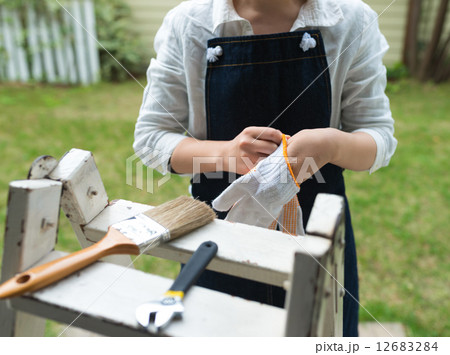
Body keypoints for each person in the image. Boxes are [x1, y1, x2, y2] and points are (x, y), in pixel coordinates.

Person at [133, 0, 397, 336]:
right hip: (218, 237)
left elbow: (377, 138)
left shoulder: (351, 20)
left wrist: (330, 145)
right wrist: (228, 154)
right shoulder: (189, 23)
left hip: (319, 240)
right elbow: (151, 138)